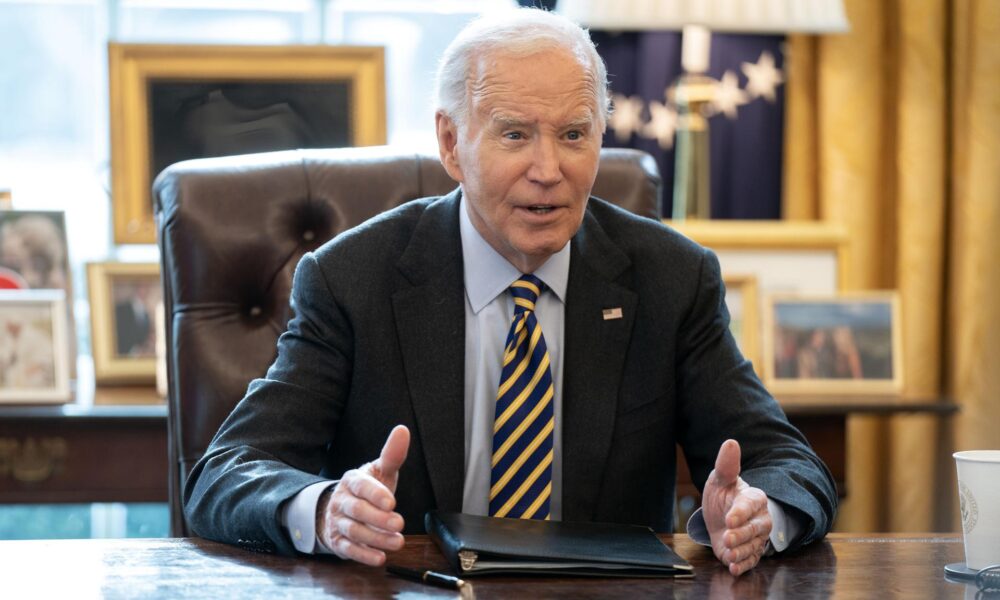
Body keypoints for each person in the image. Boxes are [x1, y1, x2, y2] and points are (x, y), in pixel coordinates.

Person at [184, 8, 837, 577]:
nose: (548, 171)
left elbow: (787, 464)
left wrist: (759, 513)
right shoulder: (352, 279)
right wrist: (328, 511)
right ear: (451, 142)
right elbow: (226, 474)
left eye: (573, 134)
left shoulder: (670, 278)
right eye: (515, 134)